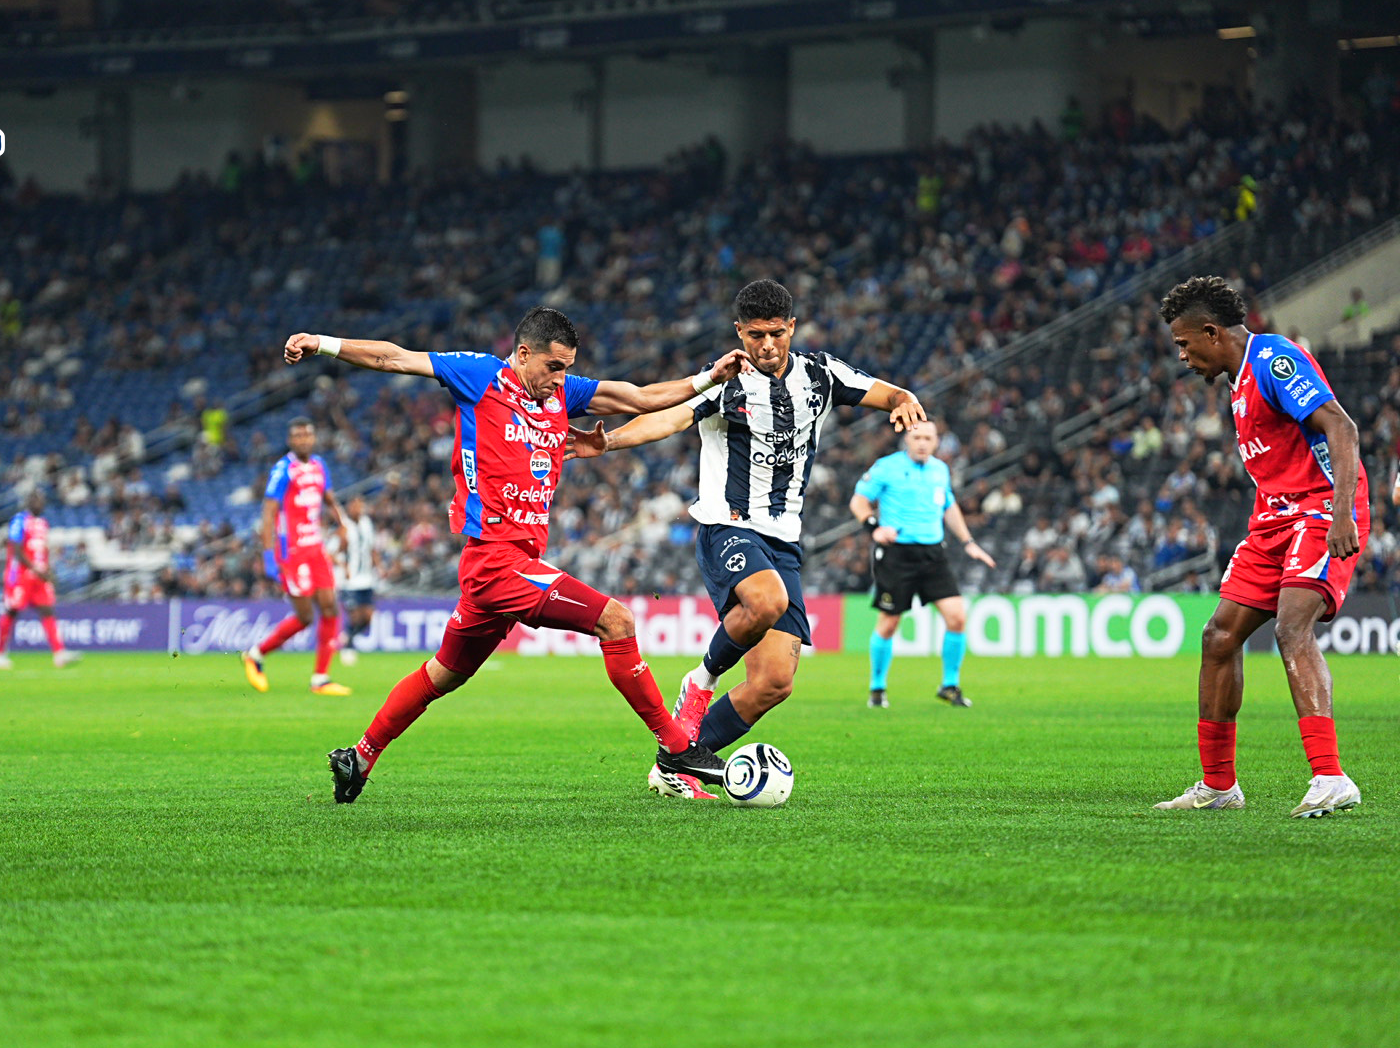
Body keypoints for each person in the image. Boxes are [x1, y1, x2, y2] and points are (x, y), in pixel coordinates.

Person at [283, 306, 750, 803]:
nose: (561, 378)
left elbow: (638, 396)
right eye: (554, 366)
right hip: (495, 562)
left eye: (567, 367)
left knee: (443, 674)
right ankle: (677, 749)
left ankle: (360, 756)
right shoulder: (481, 375)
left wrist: (706, 378)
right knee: (617, 622)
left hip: (508, 568)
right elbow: (393, 358)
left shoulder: (563, 395)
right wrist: (323, 343)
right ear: (524, 354)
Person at [577, 279, 928, 799]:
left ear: (792, 327)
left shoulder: (821, 374)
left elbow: (885, 392)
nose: (767, 345)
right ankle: (698, 682)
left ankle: (676, 762)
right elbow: (669, 418)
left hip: (784, 540)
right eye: (757, 335)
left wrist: (905, 399)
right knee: (766, 601)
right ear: (739, 331)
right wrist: (610, 441)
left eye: (777, 333)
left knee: (773, 684)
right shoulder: (727, 381)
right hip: (728, 525)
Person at [1154, 275, 1369, 818]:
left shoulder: (1274, 359)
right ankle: (1219, 786)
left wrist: (1341, 511)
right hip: (1273, 517)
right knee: (1219, 636)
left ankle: (1330, 777)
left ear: (1211, 332)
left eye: (1184, 343)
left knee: (1290, 626)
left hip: (1320, 509)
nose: (1181, 356)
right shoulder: (1237, 377)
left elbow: (1341, 429)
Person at [849, 419, 996, 709]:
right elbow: (858, 501)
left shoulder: (940, 469)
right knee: (889, 623)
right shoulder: (886, 466)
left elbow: (949, 506)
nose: (922, 443)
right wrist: (873, 527)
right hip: (897, 554)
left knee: (957, 618)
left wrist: (968, 543)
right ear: (907, 438)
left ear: (937, 441)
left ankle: (949, 685)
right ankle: (877, 689)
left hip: (933, 553)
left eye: (928, 438)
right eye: (917, 437)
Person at [241, 417, 352, 696]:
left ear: (313, 438)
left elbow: (329, 498)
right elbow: (268, 513)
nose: (303, 440)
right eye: (297, 436)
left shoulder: (319, 466)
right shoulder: (282, 470)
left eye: (307, 435)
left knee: (330, 607)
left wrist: (341, 524)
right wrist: (268, 555)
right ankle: (255, 654)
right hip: (291, 552)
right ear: (291, 440)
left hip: (315, 548)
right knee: (304, 617)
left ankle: (320, 678)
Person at [0, 489, 78, 670]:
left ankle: (59, 653)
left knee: (47, 611)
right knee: (12, 611)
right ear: (29, 502)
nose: (40, 503)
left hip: (39, 576)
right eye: (36, 500)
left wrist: (47, 570)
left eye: (42, 500)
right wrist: (35, 569)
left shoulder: (43, 523)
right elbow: (15, 550)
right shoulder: (19, 520)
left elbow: (42, 551)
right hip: (20, 576)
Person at [336, 494, 380, 666]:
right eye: (355, 505)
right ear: (349, 508)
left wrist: (379, 565)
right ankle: (348, 646)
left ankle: (347, 636)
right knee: (354, 617)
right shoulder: (344, 527)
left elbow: (371, 548)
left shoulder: (367, 524)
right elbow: (334, 552)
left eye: (360, 505)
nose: (358, 508)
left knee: (368, 617)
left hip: (367, 579)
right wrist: (344, 566)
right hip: (350, 581)